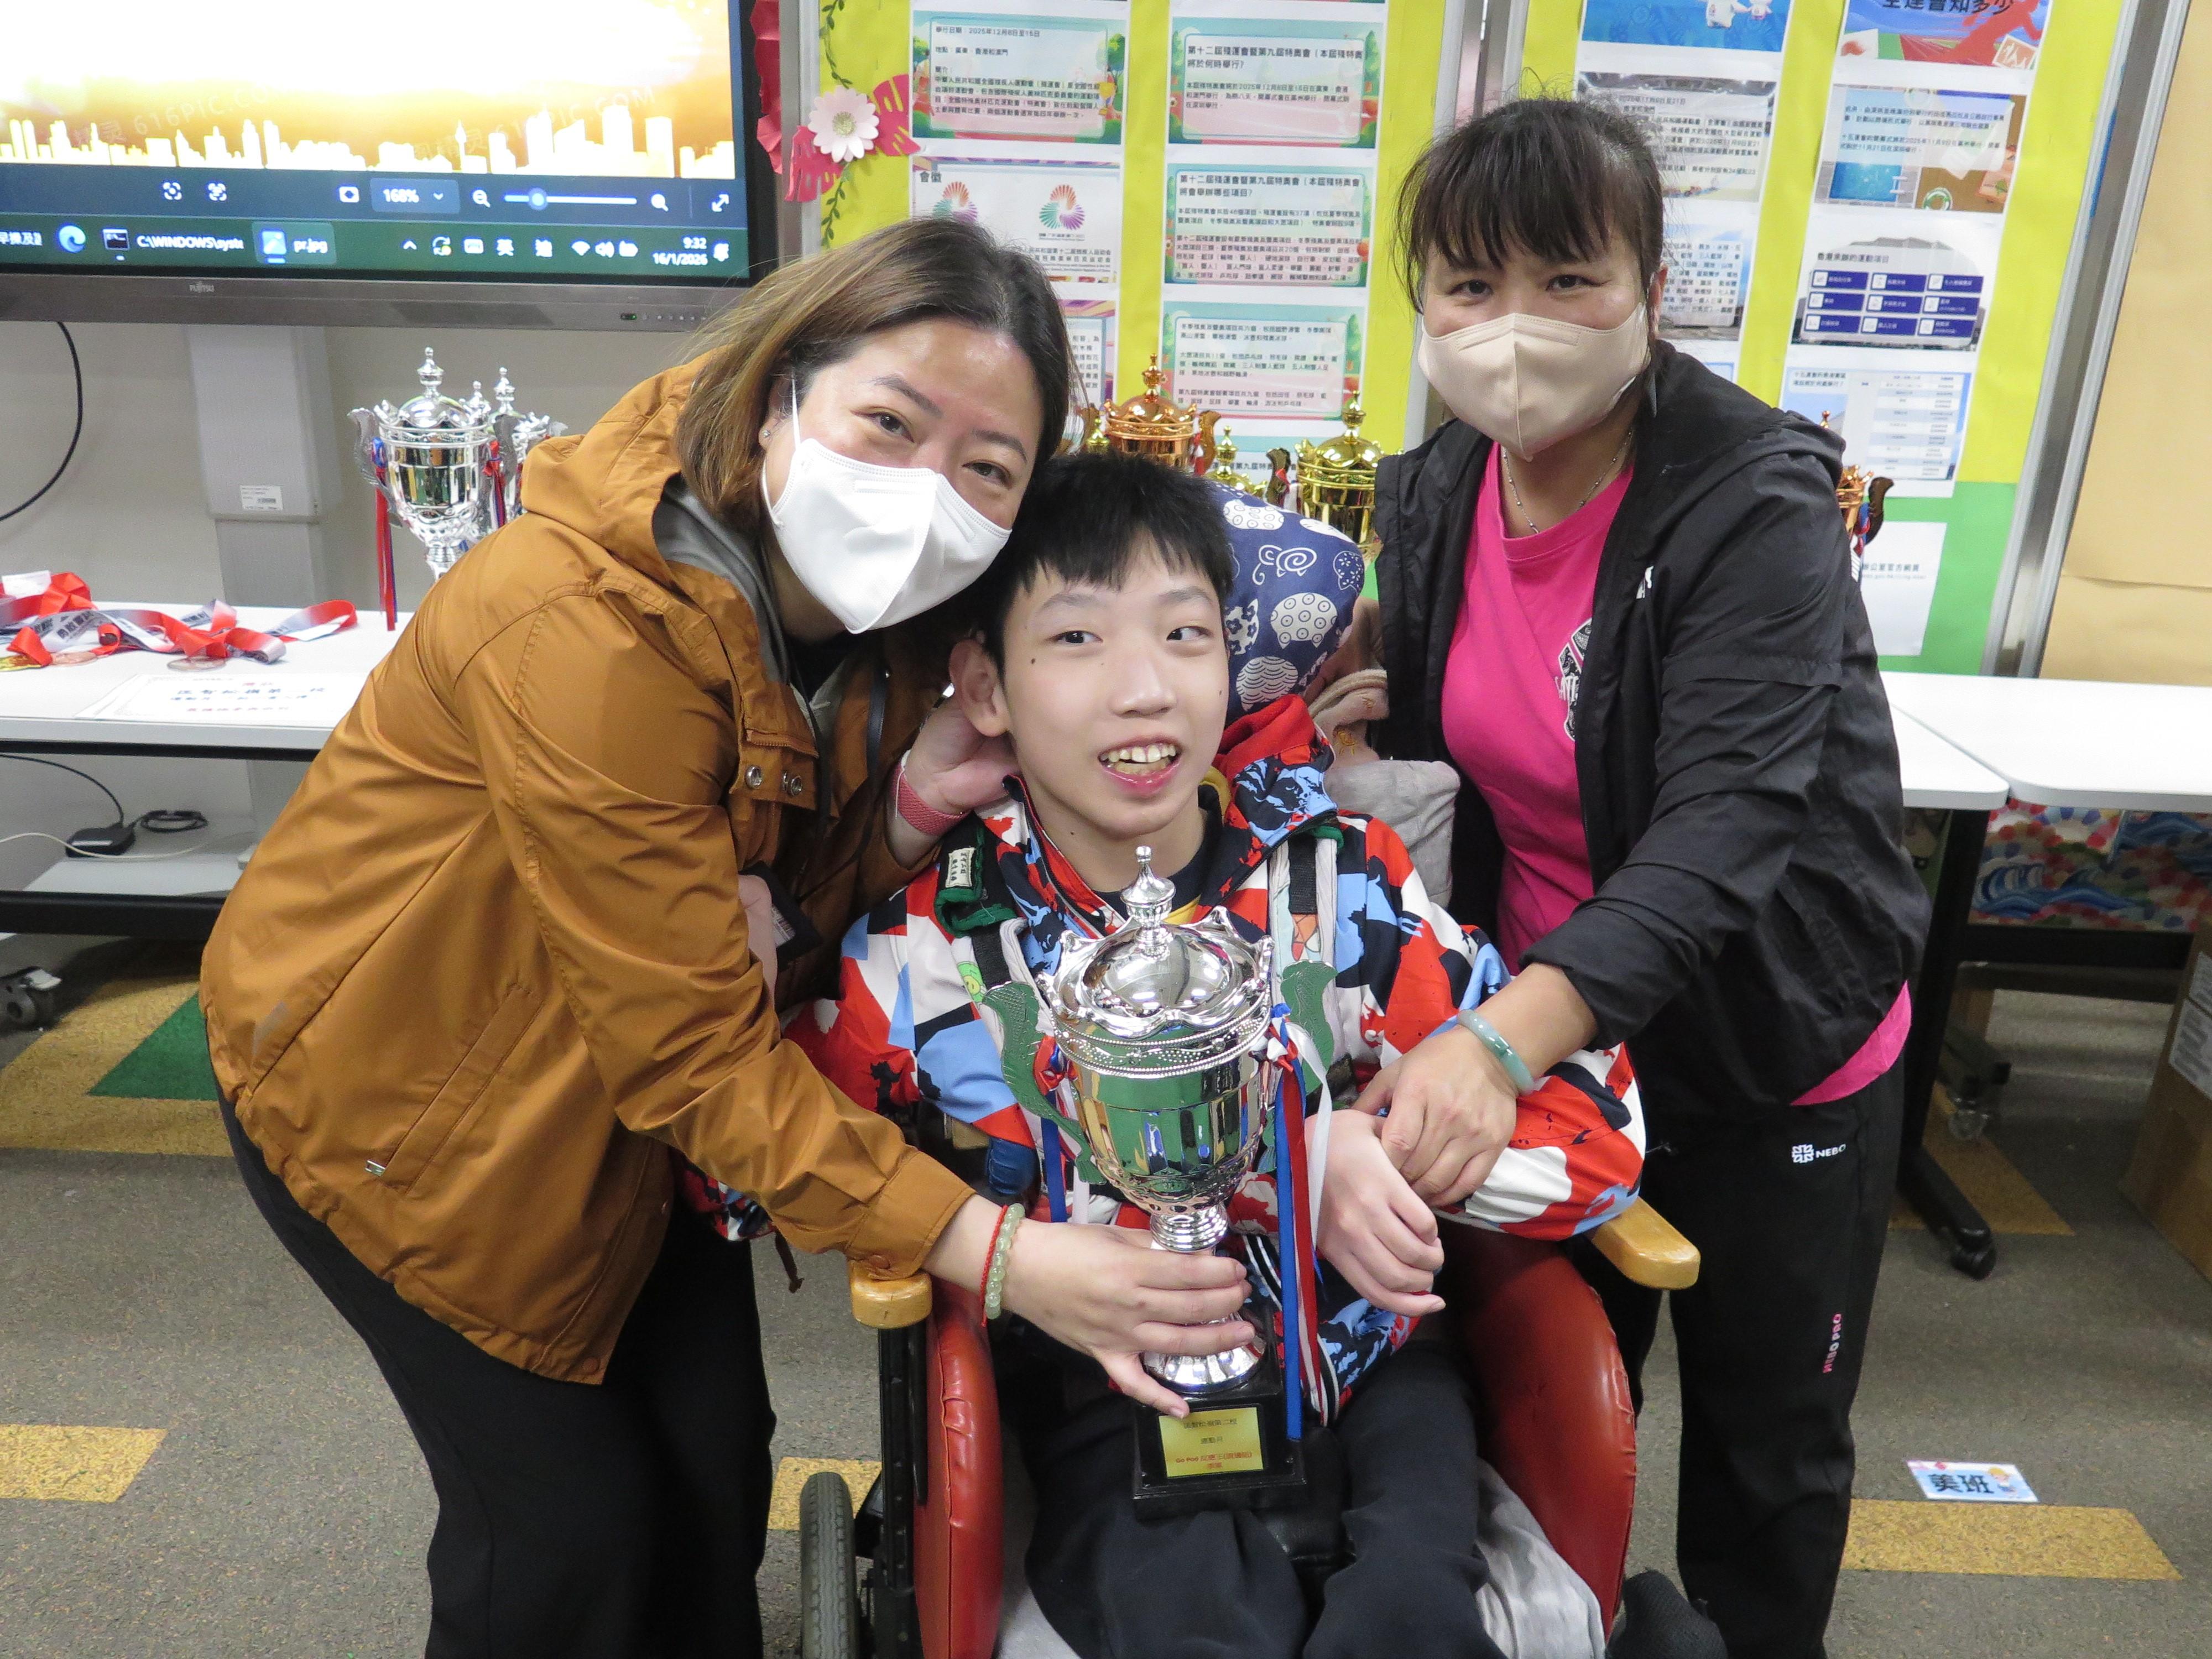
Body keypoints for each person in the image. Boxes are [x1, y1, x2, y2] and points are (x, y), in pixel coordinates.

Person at [198, 220, 1255, 1659]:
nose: (926, 495)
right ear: (776, 400)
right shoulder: (581, 629)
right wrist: (1000, 1255)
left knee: (712, 1470)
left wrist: (903, 815)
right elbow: (697, 1053)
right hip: (409, 1113)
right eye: (891, 425)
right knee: (561, 1537)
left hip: (633, 1106)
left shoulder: (911, 630)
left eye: (988, 468)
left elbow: (765, 921)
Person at [781, 451, 1646, 1659]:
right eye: (1076, 640)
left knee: (1412, 1621)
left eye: (1184, 635)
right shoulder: (935, 944)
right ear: (984, 685)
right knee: (1197, 1629)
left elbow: (1600, 1139)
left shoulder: (1343, 883)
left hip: (1375, 1361)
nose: (1144, 690)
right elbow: (754, 1170)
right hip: (1108, 1381)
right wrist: (1003, 1254)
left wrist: (1357, 1152)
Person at [1328, 99, 1931, 1658]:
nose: (1512, 327)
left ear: (1653, 289)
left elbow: (1720, 833)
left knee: (1764, 1455)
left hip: (1759, 1040)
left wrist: (1489, 1045)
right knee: (1552, 1411)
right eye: (1469, 286)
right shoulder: (1436, 487)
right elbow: (1460, 742)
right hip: (1556, 1043)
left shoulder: (1750, 503)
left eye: (1567, 279)